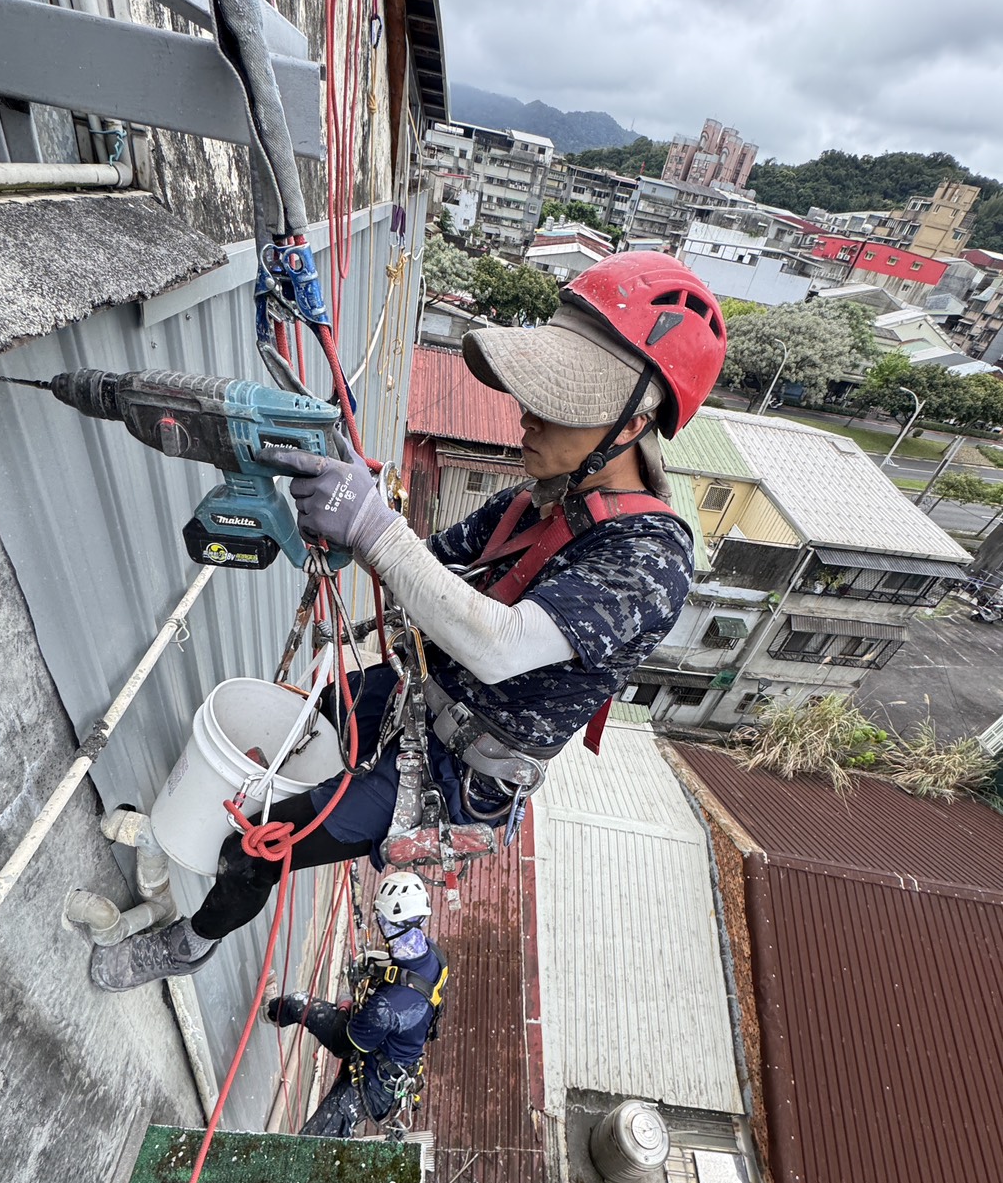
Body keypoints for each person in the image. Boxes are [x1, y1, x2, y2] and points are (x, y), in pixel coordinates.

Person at [90, 252, 726, 992]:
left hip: (450, 777)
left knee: (259, 844)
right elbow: (431, 572)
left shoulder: (650, 556)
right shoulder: (536, 501)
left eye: (556, 403)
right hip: (410, 699)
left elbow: (498, 644)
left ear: (633, 422)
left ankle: (191, 941)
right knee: (283, 740)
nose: (525, 414)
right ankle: (181, 832)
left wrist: (375, 529)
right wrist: (352, 514)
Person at [264, 871, 447, 1138]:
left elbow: (341, 1043)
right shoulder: (432, 954)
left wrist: (343, 1006)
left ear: (386, 921)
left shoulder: (385, 1009)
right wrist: (377, 967)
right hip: (390, 1062)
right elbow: (405, 975)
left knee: (307, 1148)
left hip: (373, 1085)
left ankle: (271, 1010)